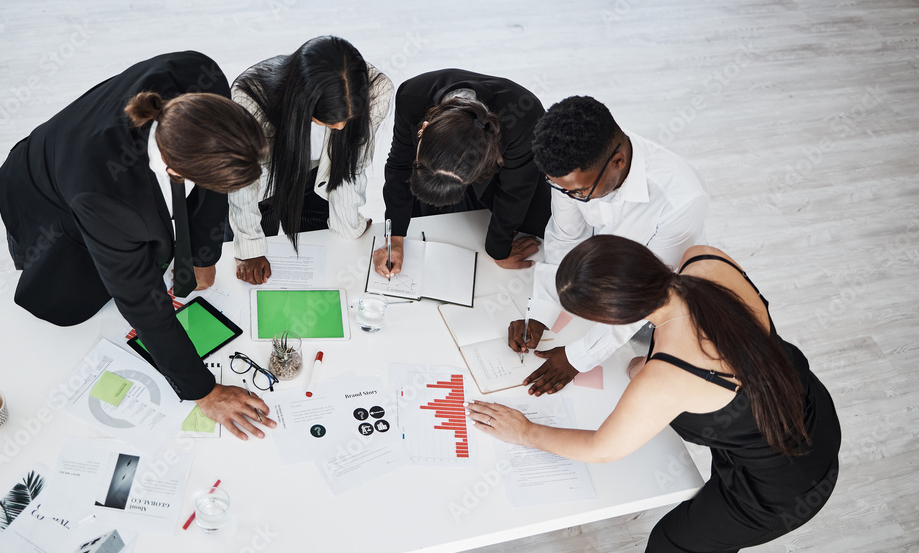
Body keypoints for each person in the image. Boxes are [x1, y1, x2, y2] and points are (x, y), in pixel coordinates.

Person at [469, 235, 841, 553]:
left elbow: (602, 448)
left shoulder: (666, 377)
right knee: (709, 533)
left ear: (616, 319)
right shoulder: (706, 262)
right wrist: (646, 366)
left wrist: (525, 430)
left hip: (785, 489)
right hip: (806, 418)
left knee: (673, 541)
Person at [0, 51, 276, 440]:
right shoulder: (104, 199)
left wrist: (202, 254)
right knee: (65, 300)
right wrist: (203, 391)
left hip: (98, 166)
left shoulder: (199, 76)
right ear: (176, 172)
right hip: (46, 194)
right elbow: (141, 301)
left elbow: (210, 189)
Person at [509, 95, 709, 395]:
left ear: (618, 162)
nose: (570, 196)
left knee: (636, 381)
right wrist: (541, 310)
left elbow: (646, 294)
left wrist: (577, 358)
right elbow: (566, 237)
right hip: (603, 274)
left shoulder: (680, 200)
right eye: (561, 189)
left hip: (666, 302)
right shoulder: (575, 171)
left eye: (579, 192)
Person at [227, 35, 394, 284]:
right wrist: (250, 249)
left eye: (348, 119)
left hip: (319, 182)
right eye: (330, 118)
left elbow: (353, 163)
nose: (339, 127)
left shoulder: (379, 90)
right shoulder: (250, 96)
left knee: (325, 261)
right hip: (263, 184)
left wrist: (348, 225)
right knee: (256, 263)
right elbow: (242, 180)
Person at [373, 69, 551, 277]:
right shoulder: (411, 97)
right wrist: (394, 237)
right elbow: (399, 165)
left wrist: (498, 249)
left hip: (514, 168)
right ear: (423, 129)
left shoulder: (523, 117)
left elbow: (516, 190)